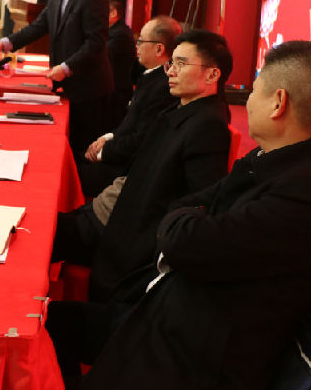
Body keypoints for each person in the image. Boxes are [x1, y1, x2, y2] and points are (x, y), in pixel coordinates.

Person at [50, 40, 311, 390]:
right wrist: (186, 220)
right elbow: (189, 208)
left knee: (43, 362)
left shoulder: (310, 192)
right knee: (46, 323)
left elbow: (185, 241)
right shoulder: (278, 159)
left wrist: (184, 222)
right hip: (169, 316)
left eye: (254, 92)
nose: (247, 102)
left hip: (192, 361)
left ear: (278, 103)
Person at [53, 30, 232, 292]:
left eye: (181, 64)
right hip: (112, 210)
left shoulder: (208, 126)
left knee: (39, 233)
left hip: (120, 231)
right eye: (172, 63)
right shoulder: (183, 108)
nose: (170, 72)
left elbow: (199, 202)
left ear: (212, 75)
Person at [0, 0, 114, 153]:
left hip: (89, 89)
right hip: (66, 87)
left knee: (84, 151)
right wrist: (5, 43)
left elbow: (96, 42)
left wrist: (66, 67)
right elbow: (37, 27)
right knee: (68, 146)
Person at [77, 15, 180, 196]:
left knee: (67, 172)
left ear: (159, 49)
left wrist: (103, 152)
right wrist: (107, 138)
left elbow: (141, 139)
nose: (136, 47)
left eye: (140, 41)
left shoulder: (164, 87)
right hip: (119, 150)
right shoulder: (150, 76)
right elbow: (131, 123)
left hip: (128, 169)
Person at [105, 0, 136, 127]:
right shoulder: (113, 30)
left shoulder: (120, 34)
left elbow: (100, 56)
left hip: (117, 93)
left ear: (113, 13)